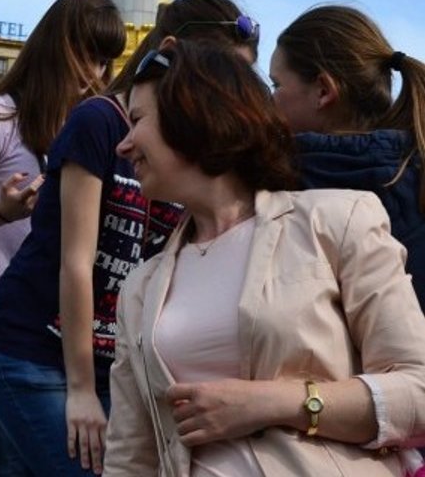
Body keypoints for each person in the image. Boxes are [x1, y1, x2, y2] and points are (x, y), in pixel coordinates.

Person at [105, 40, 425, 475]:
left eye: (137, 120)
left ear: (195, 113)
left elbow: (417, 392)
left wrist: (276, 402)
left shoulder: (336, 221)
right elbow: (130, 455)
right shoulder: (140, 289)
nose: (123, 146)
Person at [0, 0, 259, 476]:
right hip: (32, 351)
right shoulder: (99, 122)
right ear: (168, 52)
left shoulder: (193, 152)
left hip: (115, 366)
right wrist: (82, 389)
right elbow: (76, 262)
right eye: (217, 73)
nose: (225, 93)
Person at [0, 0, 128, 475]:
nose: (94, 72)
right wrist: (0, 211)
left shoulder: (99, 127)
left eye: (104, 61)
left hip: (71, 338)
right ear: (56, 45)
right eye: (86, 54)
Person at [270, 4, 425, 306]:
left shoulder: (285, 184)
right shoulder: (413, 175)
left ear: (323, 91)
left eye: (276, 84)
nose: (269, 100)